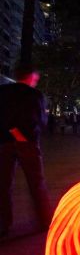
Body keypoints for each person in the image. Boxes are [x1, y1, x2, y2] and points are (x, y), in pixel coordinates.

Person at [0, 65, 52, 238]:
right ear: (30, 77)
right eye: (35, 78)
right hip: (26, 142)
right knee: (36, 182)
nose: (36, 81)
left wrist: (10, 131)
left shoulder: (4, 92)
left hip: (4, 142)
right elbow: (40, 120)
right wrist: (21, 134)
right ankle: (45, 220)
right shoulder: (34, 95)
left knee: (3, 184)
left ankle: (3, 223)